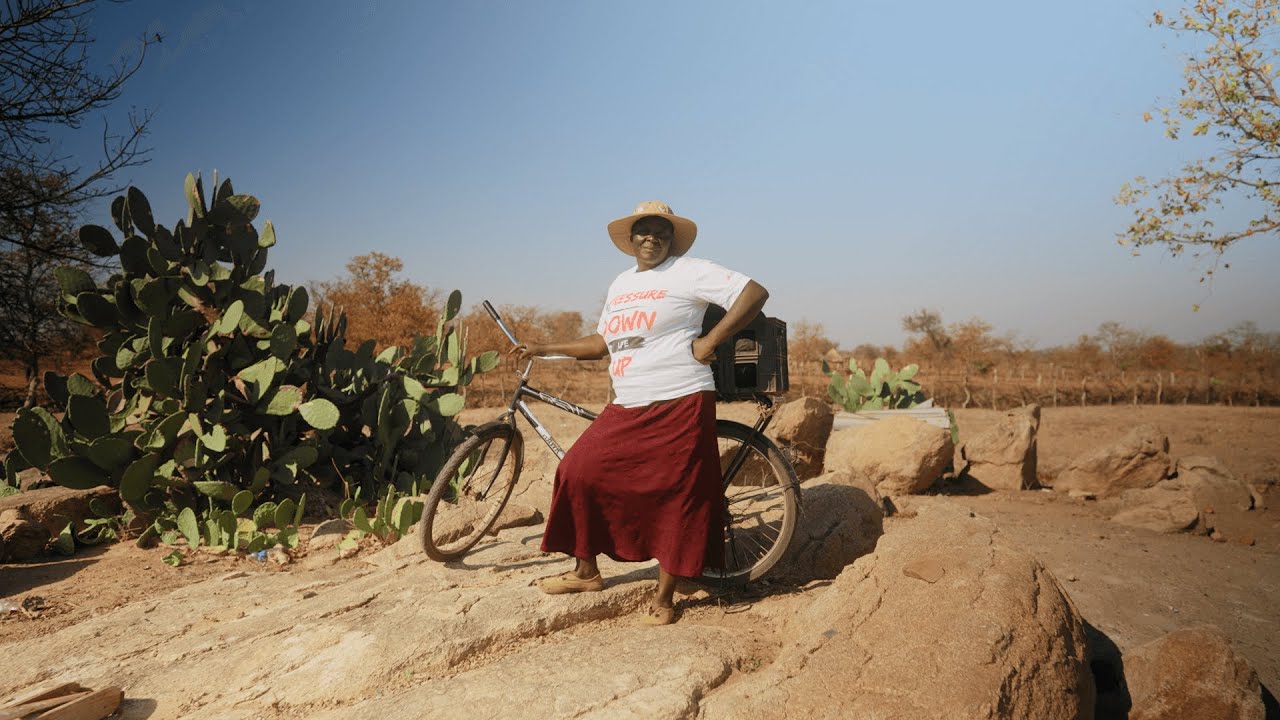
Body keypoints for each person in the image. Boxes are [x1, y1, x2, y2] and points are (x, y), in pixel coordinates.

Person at [512, 200, 768, 625]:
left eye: (660, 232)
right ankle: (586, 572)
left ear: (672, 239)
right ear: (630, 240)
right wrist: (543, 348)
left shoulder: (690, 270)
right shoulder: (621, 283)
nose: (651, 238)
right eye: (643, 231)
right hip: (629, 401)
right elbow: (600, 344)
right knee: (578, 470)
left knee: (676, 495)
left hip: (681, 395)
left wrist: (710, 342)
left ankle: (665, 601)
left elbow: (754, 293)